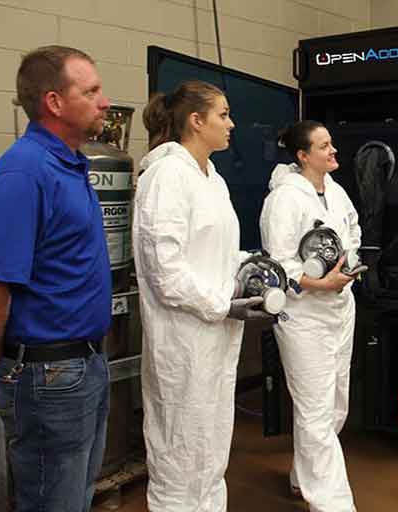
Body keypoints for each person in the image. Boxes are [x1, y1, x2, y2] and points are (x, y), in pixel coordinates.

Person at [0, 46, 112, 512]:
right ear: (54, 102)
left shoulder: (70, 165)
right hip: (47, 374)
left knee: (74, 495)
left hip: (85, 361)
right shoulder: (22, 173)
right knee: (53, 501)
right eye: (90, 90)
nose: (104, 101)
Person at [133, 80, 268, 511]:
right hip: (184, 338)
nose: (232, 124)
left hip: (216, 337)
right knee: (179, 452)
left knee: (209, 452)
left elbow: (217, 252)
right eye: (223, 115)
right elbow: (165, 273)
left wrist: (251, 269)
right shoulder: (167, 176)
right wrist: (222, 302)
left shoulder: (212, 178)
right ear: (196, 120)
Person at [260, 120, 360, 512]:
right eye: (324, 146)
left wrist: (347, 267)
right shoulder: (284, 200)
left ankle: (304, 477)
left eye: (331, 144)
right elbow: (279, 265)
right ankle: (332, 503)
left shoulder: (335, 192)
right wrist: (320, 283)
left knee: (336, 405)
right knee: (315, 412)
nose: (333, 151)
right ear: (303, 156)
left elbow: (352, 231)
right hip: (304, 316)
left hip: (340, 308)